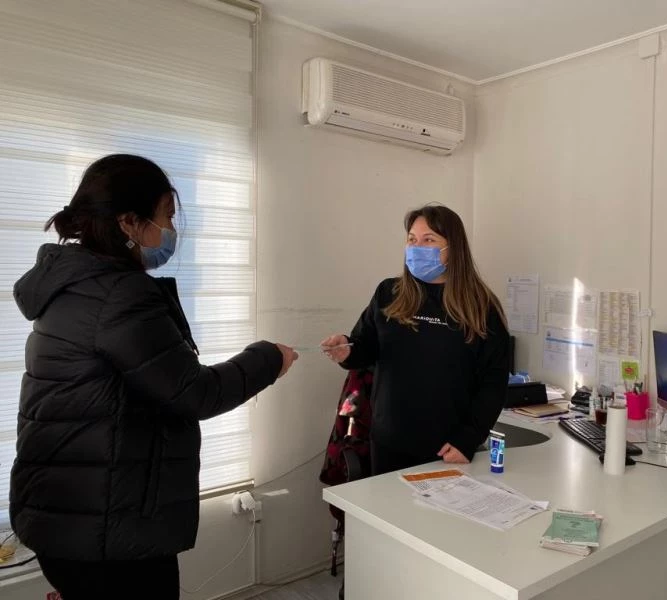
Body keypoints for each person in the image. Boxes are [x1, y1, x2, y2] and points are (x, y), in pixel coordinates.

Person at [10, 154, 298, 600]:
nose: (171, 230)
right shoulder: (119, 294)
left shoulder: (72, 285)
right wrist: (268, 359)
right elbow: (195, 392)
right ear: (128, 222)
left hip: (67, 519)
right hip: (107, 532)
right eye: (166, 215)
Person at [321, 205, 509, 476]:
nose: (417, 247)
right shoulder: (389, 293)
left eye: (429, 240)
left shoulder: (480, 306)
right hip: (388, 441)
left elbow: (494, 381)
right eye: (412, 240)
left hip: (447, 448)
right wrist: (346, 350)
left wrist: (468, 438)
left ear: (453, 248)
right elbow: (365, 347)